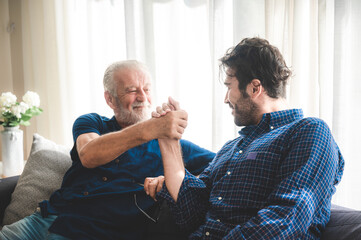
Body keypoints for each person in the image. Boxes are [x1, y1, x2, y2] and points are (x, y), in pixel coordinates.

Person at [146, 37, 345, 239]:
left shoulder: (309, 131)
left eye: (229, 86)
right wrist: (169, 140)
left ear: (254, 88)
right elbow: (190, 215)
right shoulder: (231, 148)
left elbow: (286, 220)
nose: (225, 99)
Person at [0, 60, 215, 240]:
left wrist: (175, 180)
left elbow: (219, 168)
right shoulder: (91, 123)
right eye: (131, 90)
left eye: (147, 89)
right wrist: (149, 128)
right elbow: (88, 155)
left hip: (99, 233)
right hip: (48, 220)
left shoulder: (171, 148)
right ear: (110, 99)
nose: (142, 97)